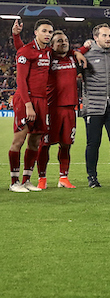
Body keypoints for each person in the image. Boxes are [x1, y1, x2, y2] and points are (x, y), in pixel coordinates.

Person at [12, 20, 83, 190]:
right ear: (51, 45)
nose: (62, 43)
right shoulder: (47, 56)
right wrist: (16, 35)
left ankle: (63, 178)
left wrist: (78, 50)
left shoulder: (73, 57)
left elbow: (81, 49)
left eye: (65, 40)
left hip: (70, 109)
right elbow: (24, 51)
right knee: (43, 144)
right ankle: (40, 179)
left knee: (66, 144)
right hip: (50, 107)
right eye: (58, 40)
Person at [8, 19, 53, 192]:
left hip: (42, 101)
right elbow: (21, 81)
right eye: (44, 31)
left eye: (50, 32)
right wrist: (28, 105)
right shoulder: (26, 51)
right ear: (36, 32)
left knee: (35, 141)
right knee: (18, 141)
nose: (47, 34)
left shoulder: (48, 52)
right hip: (26, 100)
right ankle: (14, 182)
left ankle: (26, 180)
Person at [81, 23, 110, 188]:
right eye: (104, 36)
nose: (108, 39)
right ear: (95, 38)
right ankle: (92, 177)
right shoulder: (86, 56)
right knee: (93, 143)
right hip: (93, 106)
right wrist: (83, 48)